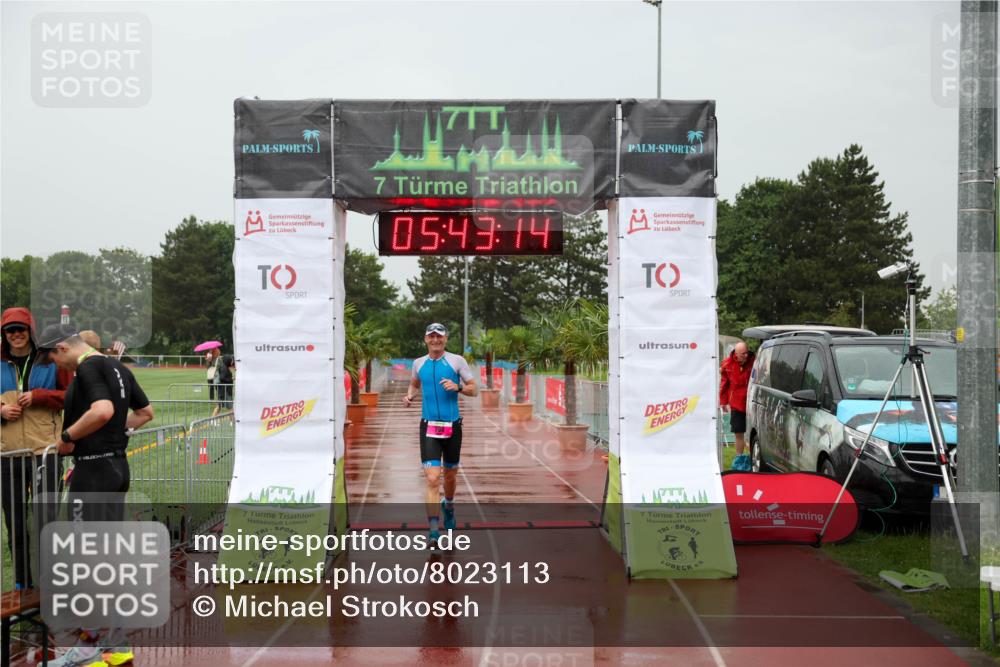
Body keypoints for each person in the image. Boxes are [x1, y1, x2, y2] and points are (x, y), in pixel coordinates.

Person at [39, 323, 153, 667]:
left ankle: (88, 654)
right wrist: (117, 430)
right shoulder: (117, 366)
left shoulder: (89, 367)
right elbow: (146, 414)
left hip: (93, 472)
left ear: (62, 348)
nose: (55, 366)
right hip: (117, 469)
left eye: (51, 358)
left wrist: (68, 437)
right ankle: (115, 644)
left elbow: (102, 410)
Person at [0, 307, 73, 588]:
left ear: (31, 330)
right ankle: (22, 582)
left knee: (47, 521)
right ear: (4, 334)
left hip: (46, 454)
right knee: (15, 524)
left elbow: (72, 396)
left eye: (20, 329)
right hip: (8, 456)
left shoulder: (50, 360)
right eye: (10, 330)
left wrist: (43, 396)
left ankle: (49, 580)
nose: (16, 335)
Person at [402, 323, 477, 545]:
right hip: (428, 427)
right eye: (431, 336)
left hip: (453, 427)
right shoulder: (418, 363)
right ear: (425, 339)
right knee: (433, 478)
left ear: (446, 339)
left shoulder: (457, 361)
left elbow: (474, 389)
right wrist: (409, 396)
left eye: (439, 337)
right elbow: (414, 384)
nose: (435, 340)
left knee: (450, 475)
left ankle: (450, 506)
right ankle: (434, 529)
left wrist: (459, 388)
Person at [720, 340, 755, 471]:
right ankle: (739, 459)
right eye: (742, 354)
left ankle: (754, 458)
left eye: (746, 353)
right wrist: (723, 401)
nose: (745, 356)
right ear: (736, 353)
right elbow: (724, 384)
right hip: (736, 404)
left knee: (753, 432)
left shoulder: (754, 361)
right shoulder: (728, 364)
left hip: (752, 403)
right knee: (738, 433)